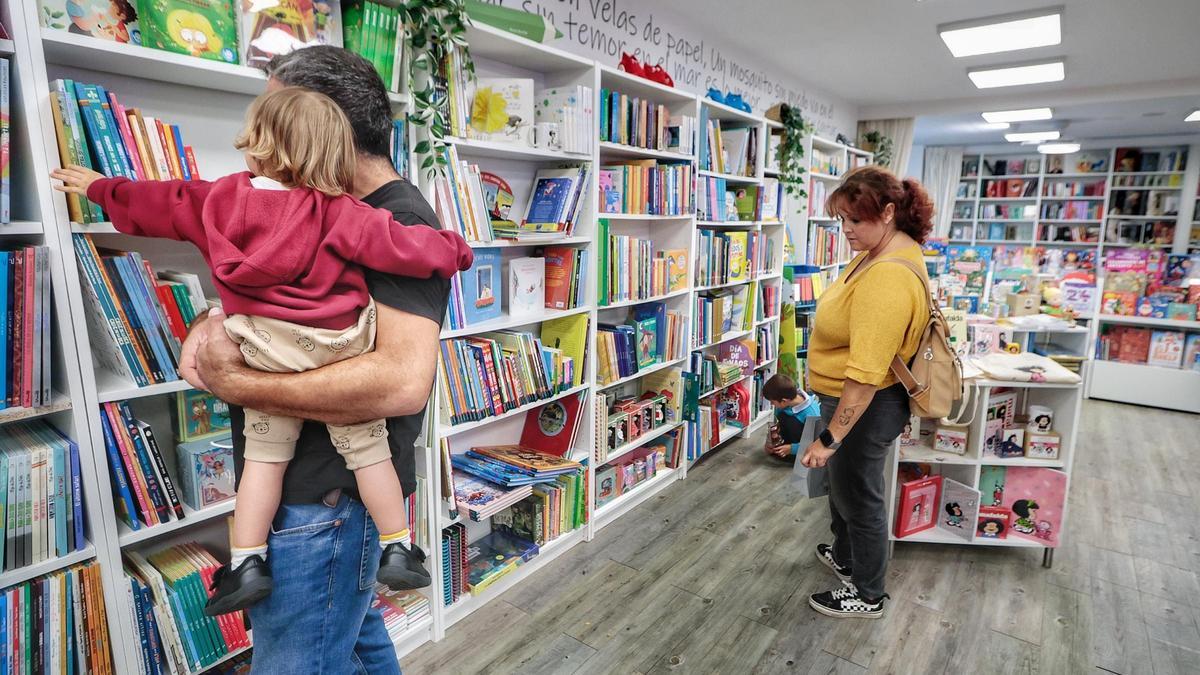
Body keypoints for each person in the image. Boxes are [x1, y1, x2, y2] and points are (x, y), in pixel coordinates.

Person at [51, 86, 473, 616]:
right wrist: (454, 248)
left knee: (263, 462)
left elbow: (154, 204)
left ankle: (247, 561)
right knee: (370, 453)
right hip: (335, 354)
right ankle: (396, 544)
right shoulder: (338, 212)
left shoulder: (215, 201)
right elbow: (406, 246)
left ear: (254, 147)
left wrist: (100, 189)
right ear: (332, 157)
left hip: (263, 353)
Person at [183, 46, 449, 674]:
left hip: (325, 504)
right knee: (355, 644)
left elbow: (401, 382)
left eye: (274, 113)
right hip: (309, 501)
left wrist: (238, 380)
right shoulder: (300, 210)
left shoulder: (393, 218)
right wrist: (212, 323)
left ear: (316, 120)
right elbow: (268, 302)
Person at [801, 165, 934, 619]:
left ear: (890, 212)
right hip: (855, 400)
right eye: (841, 220)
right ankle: (847, 557)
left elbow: (865, 373)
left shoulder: (888, 276)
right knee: (845, 492)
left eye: (855, 220)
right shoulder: (886, 250)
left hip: (864, 405)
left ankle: (868, 593)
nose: (846, 231)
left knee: (860, 498)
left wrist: (830, 437)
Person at [761, 373, 822, 459]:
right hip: (784, 448)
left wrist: (792, 449)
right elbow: (776, 427)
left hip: (802, 454)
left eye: (772, 402)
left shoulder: (812, 413)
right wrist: (770, 443)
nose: (771, 404)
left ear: (784, 401)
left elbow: (816, 442)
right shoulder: (783, 405)